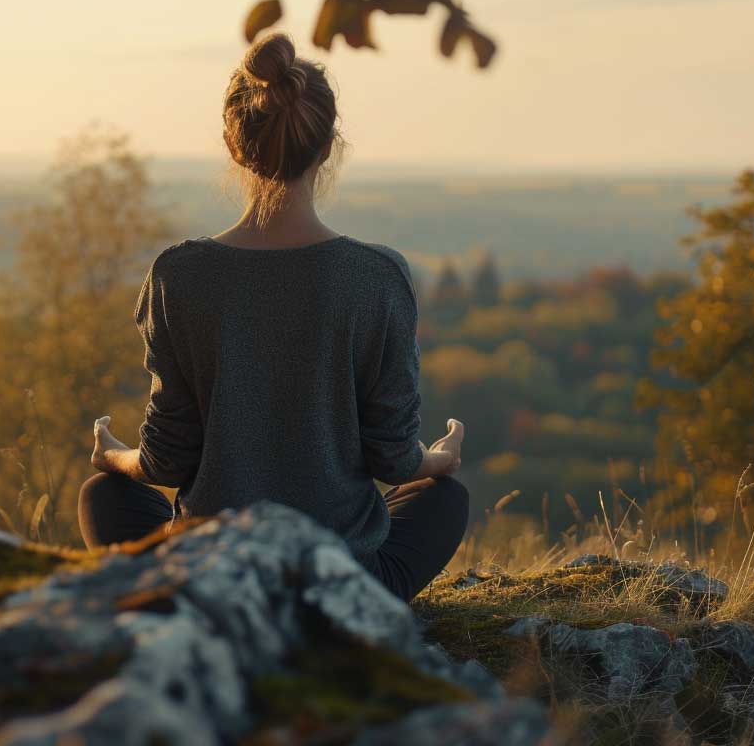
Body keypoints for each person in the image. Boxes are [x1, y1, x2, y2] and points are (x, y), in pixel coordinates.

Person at [79, 32, 468, 602]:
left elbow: (166, 460)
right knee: (445, 498)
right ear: (329, 146)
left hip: (212, 573)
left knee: (104, 495)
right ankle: (348, 618)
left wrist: (110, 452)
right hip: (338, 579)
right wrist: (439, 459)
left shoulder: (178, 276)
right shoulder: (379, 276)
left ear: (233, 145)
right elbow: (393, 457)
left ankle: (193, 606)